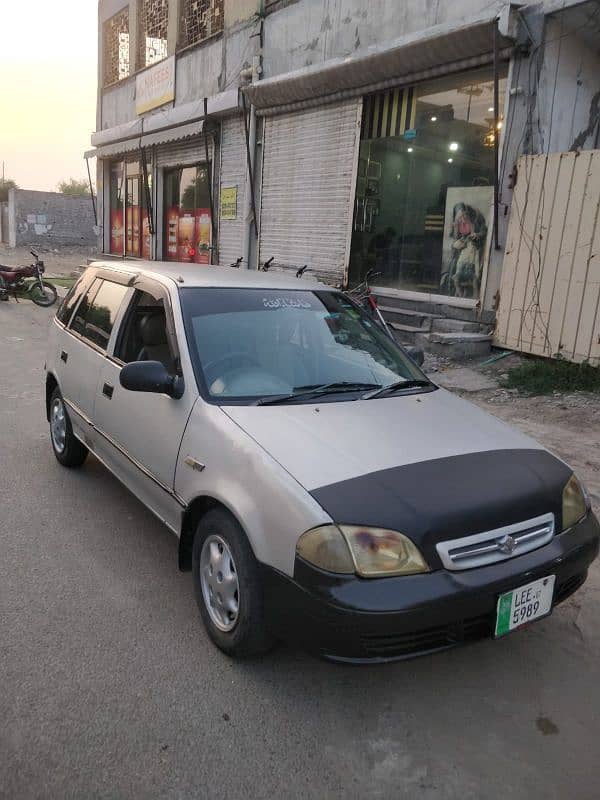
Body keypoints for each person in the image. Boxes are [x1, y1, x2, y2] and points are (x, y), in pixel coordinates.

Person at [441, 203, 487, 297]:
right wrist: (456, 242)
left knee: (473, 274)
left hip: (473, 251)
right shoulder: (457, 224)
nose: (462, 219)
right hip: (460, 253)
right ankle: (452, 294)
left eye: (464, 216)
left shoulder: (475, 222)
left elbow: (483, 231)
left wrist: (477, 235)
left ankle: (470, 294)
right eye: (459, 217)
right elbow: (454, 241)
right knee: (452, 272)